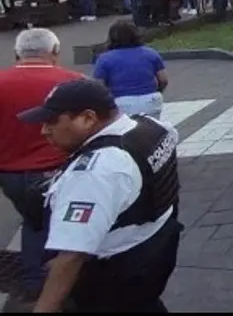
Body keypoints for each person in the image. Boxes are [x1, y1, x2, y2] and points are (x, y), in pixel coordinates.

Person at [18, 79, 182, 312]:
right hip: (152, 256)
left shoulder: (96, 172)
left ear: (88, 118)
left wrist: (44, 308)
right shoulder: (151, 127)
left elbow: (71, 255)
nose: (44, 130)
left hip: (113, 280)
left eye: (52, 121)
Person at [0, 29, 83, 302]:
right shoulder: (73, 83)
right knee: (65, 226)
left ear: (17, 55)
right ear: (55, 53)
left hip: (10, 174)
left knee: (34, 223)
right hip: (57, 170)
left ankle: (35, 283)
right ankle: (65, 285)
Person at [93, 21, 169, 119]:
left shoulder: (104, 59)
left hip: (121, 102)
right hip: (150, 100)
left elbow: (98, 87)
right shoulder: (151, 53)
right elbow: (163, 80)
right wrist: (156, 91)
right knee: (151, 129)